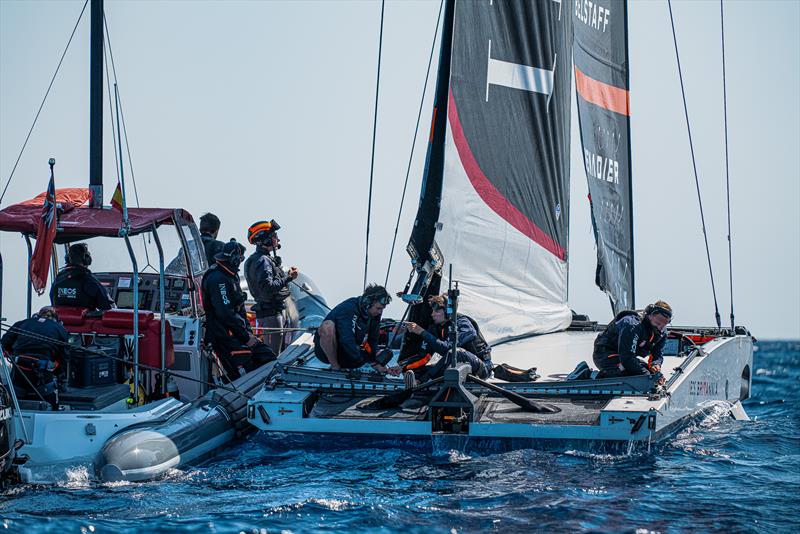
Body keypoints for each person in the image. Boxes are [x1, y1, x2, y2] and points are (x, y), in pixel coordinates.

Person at [201, 239, 275, 379]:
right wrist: (246, 337)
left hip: (238, 333)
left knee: (268, 357)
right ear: (235, 259)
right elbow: (225, 313)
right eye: (240, 259)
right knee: (246, 370)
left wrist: (249, 334)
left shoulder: (229, 274)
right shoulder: (218, 279)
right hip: (225, 336)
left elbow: (238, 309)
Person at [403, 294, 492, 385]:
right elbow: (425, 356)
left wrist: (422, 332)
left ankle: (421, 382)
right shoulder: (435, 328)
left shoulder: (464, 324)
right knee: (429, 367)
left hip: (481, 368)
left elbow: (448, 348)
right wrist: (404, 367)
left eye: (437, 311)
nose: (432, 314)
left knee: (456, 352)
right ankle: (414, 380)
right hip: (458, 366)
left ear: (448, 312)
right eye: (432, 310)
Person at [314, 284, 397, 374]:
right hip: (326, 353)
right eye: (378, 308)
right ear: (367, 303)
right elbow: (346, 338)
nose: (380, 312)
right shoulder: (349, 307)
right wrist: (361, 359)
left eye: (382, 309)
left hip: (347, 354)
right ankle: (335, 367)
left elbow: (373, 339)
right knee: (327, 326)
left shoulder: (374, 314)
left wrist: (376, 361)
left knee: (385, 353)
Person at [244, 220, 298, 355]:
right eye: (274, 236)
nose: (277, 239)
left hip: (267, 313)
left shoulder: (254, 259)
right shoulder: (263, 260)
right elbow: (268, 287)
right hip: (271, 315)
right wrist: (289, 278)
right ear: (266, 240)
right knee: (273, 355)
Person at [1, 307, 69, 408]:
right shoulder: (60, 329)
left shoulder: (22, 323)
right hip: (43, 375)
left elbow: (5, 343)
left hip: (19, 371)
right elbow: (64, 358)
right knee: (52, 404)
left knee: (13, 402)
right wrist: (61, 379)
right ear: (56, 319)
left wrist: (13, 353)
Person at [592, 300, 672, 382]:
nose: (660, 327)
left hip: (624, 357)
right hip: (604, 354)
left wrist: (656, 365)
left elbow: (657, 354)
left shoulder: (662, 333)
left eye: (664, 324)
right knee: (630, 373)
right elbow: (627, 357)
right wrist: (647, 376)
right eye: (658, 322)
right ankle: (589, 375)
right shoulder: (633, 325)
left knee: (650, 374)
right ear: (649, 315)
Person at [50, 243, 115, 311]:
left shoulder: (58, 278)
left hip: (61, 321)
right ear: (86, 259)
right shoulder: (88, 279)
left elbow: (53, 301)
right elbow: (108, 307)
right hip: (85, 321)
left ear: (68, 259)